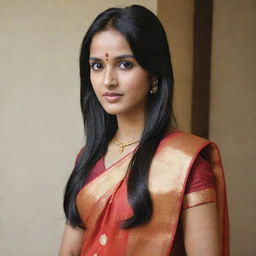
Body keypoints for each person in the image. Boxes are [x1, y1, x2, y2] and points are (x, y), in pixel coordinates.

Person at [59, 5, 229, 256]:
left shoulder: (184, 164)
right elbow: (69, 251)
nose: (108, 80)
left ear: (154, 75)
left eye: (125, 64)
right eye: (97, 66)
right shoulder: (88, 158)